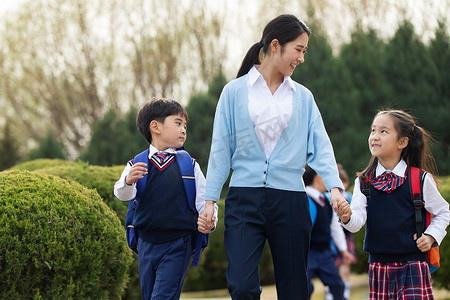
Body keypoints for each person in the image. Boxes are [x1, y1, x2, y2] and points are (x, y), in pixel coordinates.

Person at [200, 14, 347, 300]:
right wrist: (209, 202)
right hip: (244, 200)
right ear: (276, 45)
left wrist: (335, 189)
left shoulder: (303, 97)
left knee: (295, 290)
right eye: (299, 50)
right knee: (241, 286)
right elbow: (220, 150)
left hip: (290, 200)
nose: (302, 58)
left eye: (305, 51)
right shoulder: (233, 92)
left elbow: (321, 147)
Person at [337, 109, 450, 299]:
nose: (374, 136)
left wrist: (431, 236)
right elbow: (357, 223)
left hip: (414, 264)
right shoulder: (363, 181)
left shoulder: (419, 179)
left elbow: (443, 211)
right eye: (373, 130)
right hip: (379, 268)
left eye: (383, 131)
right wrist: (346, 217)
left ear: (403, 142)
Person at [114, 98, 218, 300]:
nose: (184, 130)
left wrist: (209, 219)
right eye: (178, 123)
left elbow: (205, 202)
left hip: (178, 242)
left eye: (185, 125)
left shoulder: (189, 165)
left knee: (162, 297)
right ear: (156, 127)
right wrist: (128, 181)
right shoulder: (138, 163)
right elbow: (122, 194)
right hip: (145, 244)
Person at [303, 165, 352, 300]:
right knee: (304, 287)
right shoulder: (304, 198)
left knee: (337, 286)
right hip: (308, 253)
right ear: (319, 178)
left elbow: (335, 227)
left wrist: (343, 250)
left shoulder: (327, 200)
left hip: (325, 253)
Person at [325, 164, 357, 300]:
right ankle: (342, 293)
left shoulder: (327, 197)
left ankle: (333, 294)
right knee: (343, 265)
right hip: (343, 235)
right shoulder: (347, 197)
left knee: (333, 267)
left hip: (334, 237)